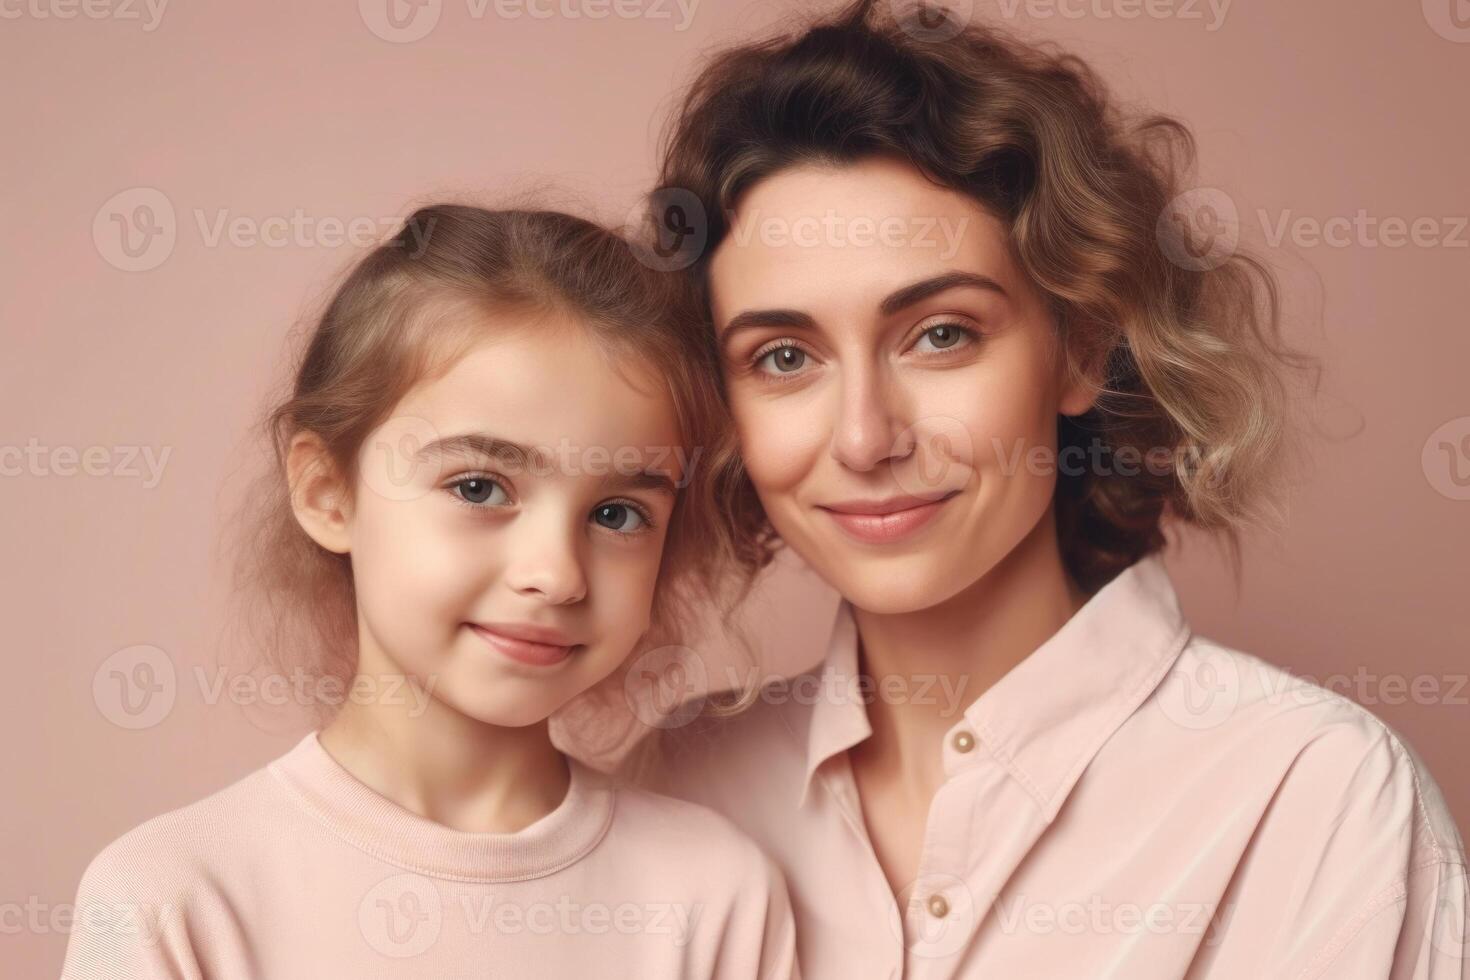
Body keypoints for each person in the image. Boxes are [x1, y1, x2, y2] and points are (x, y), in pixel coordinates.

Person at [626, 2, 1470, 976]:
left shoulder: (1314, 798)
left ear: (1079, 346)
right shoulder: (678, 782)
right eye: (783, 355)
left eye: (941, 333)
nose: (864, 437)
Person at [61, 204, 798, 979]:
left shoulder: (714, 896)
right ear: (327, 493)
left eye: (617, 514)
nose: (556, 573)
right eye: (479, 487)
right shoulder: (173, 900)